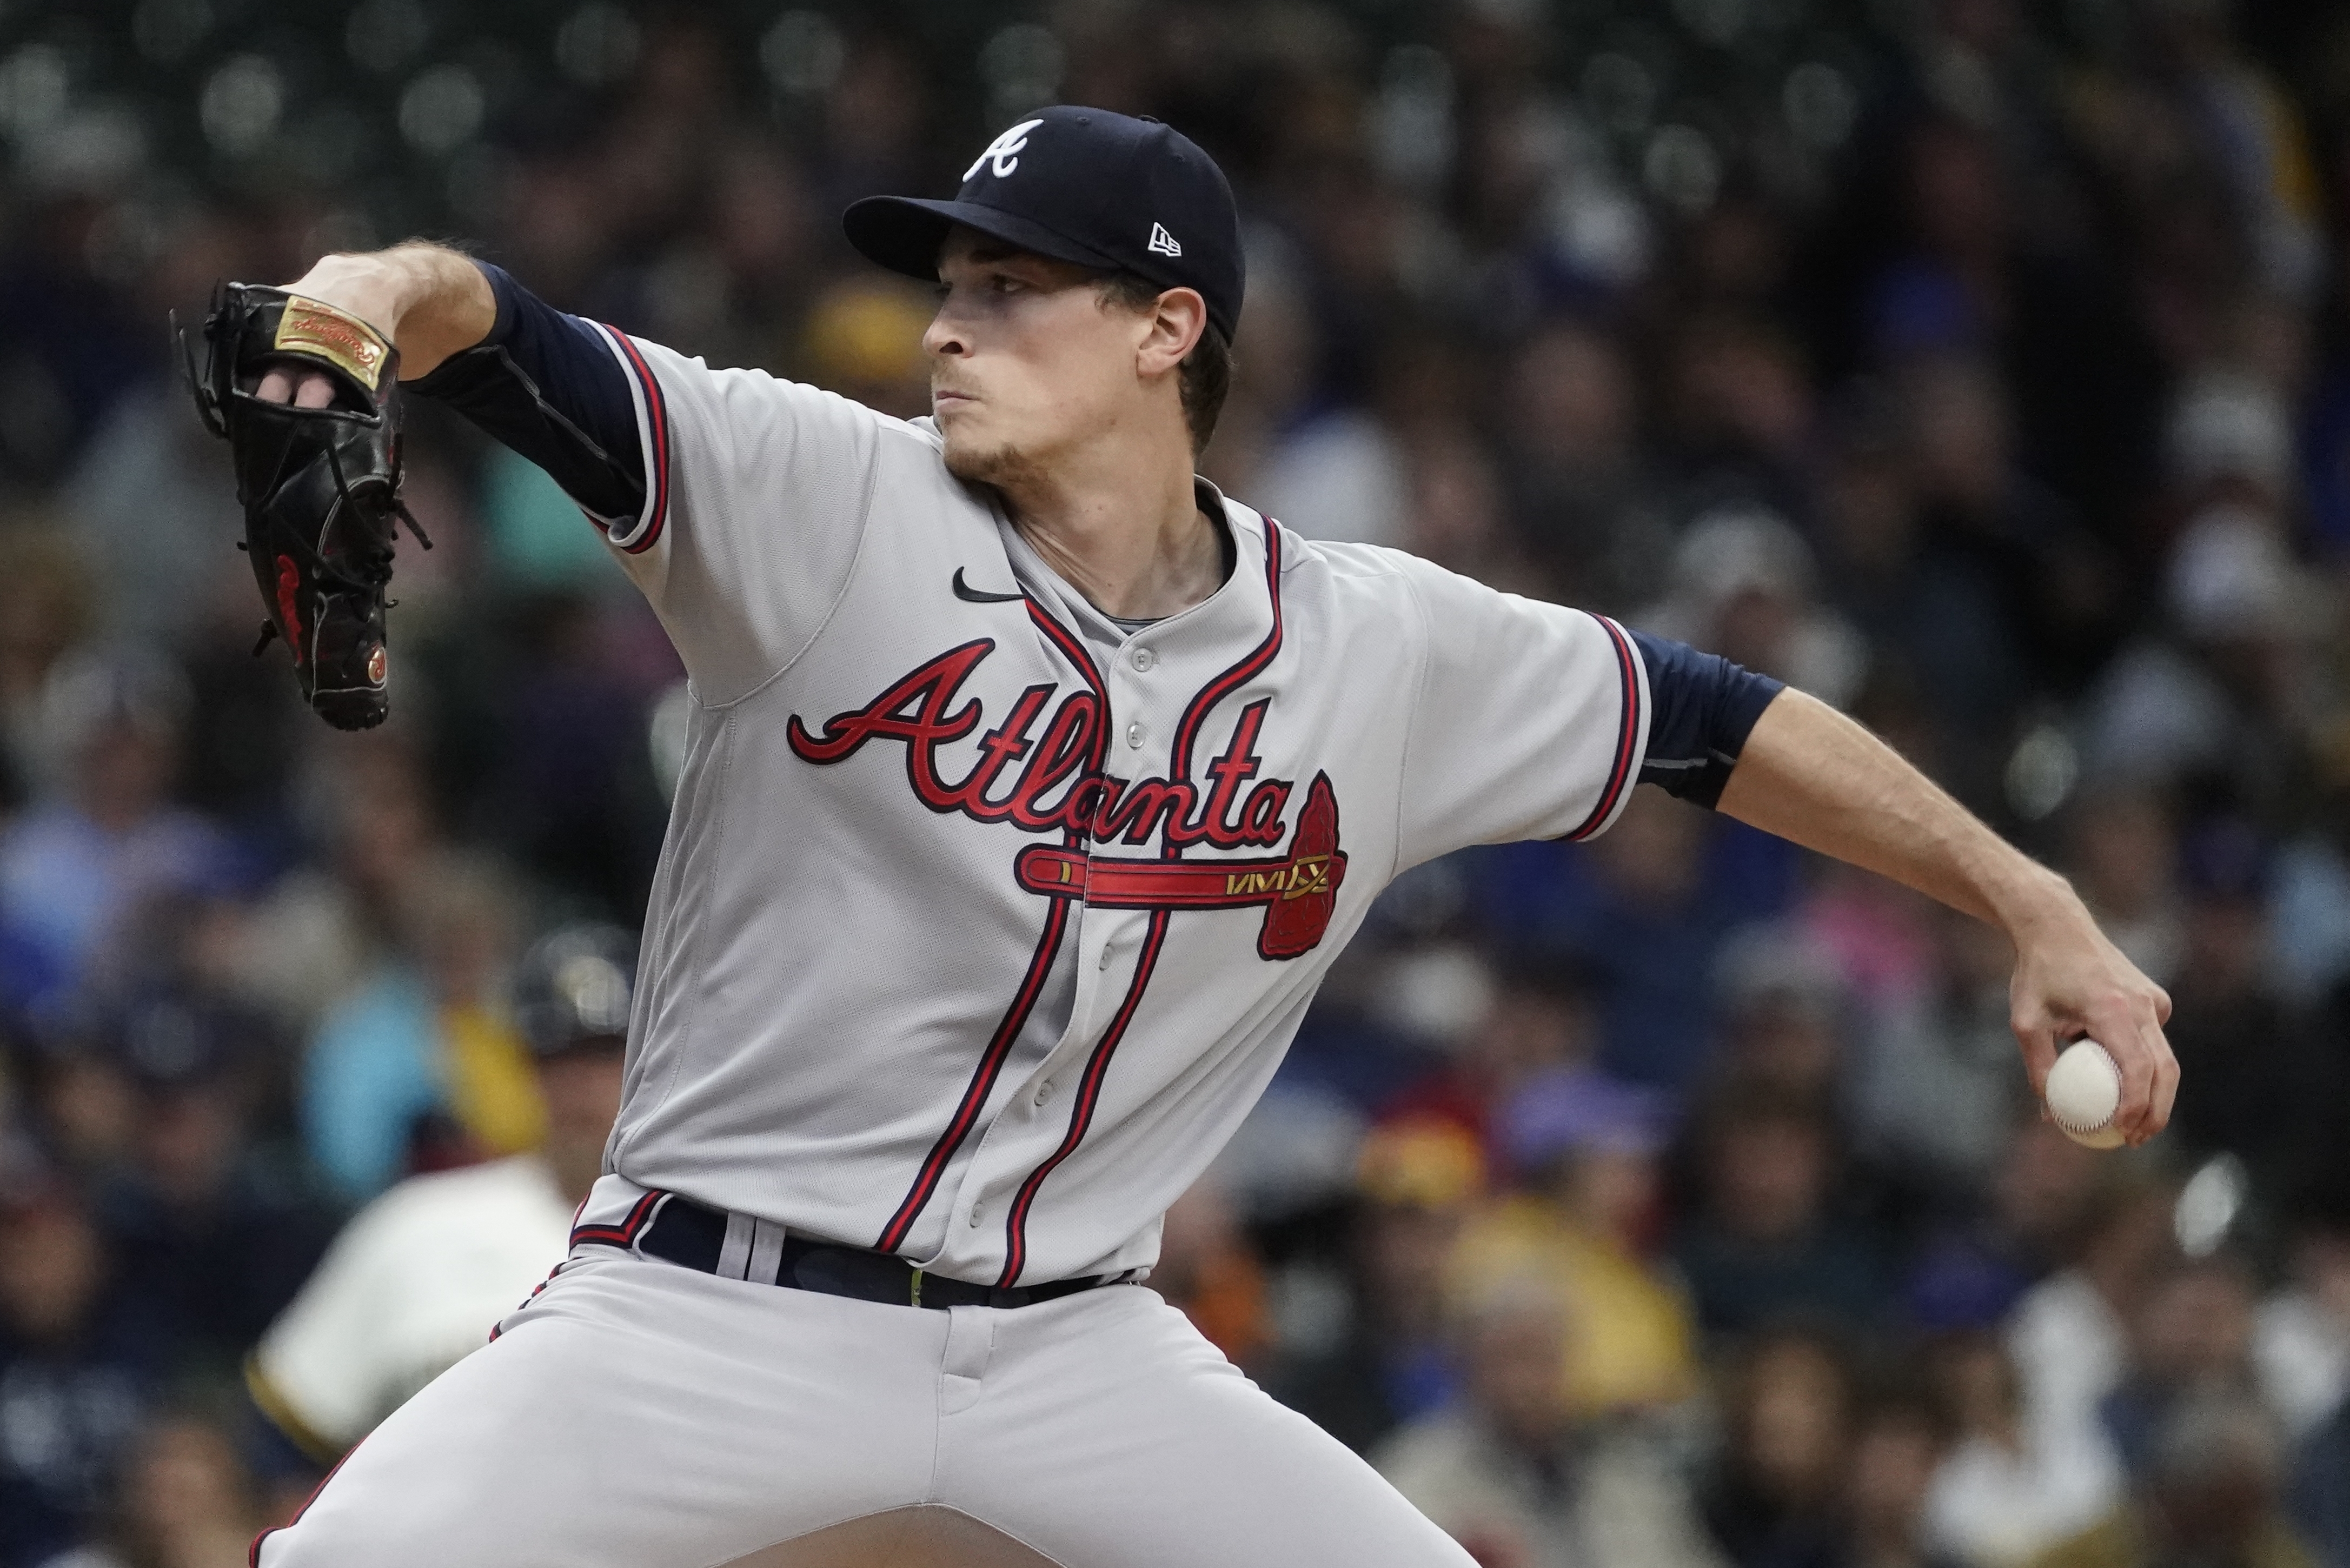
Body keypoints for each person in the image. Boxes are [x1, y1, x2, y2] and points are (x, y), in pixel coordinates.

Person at [228, 104, 2175, 1567]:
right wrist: (371, 296)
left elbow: (1717, 726)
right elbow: (513, 339)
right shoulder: (821, 498)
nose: (948, 327)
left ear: (1171, 329)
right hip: (701, 1309)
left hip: (1081, 1348)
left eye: (1011, 287)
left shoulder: (1377, 642)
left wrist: (2027, 894)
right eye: (949, 284)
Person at [244, 925, 634, 1469]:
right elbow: (290, 1432)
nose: (581, 1090)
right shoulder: (415, 1223)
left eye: (606, 1057)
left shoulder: (721, 1246)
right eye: (555, 1059)